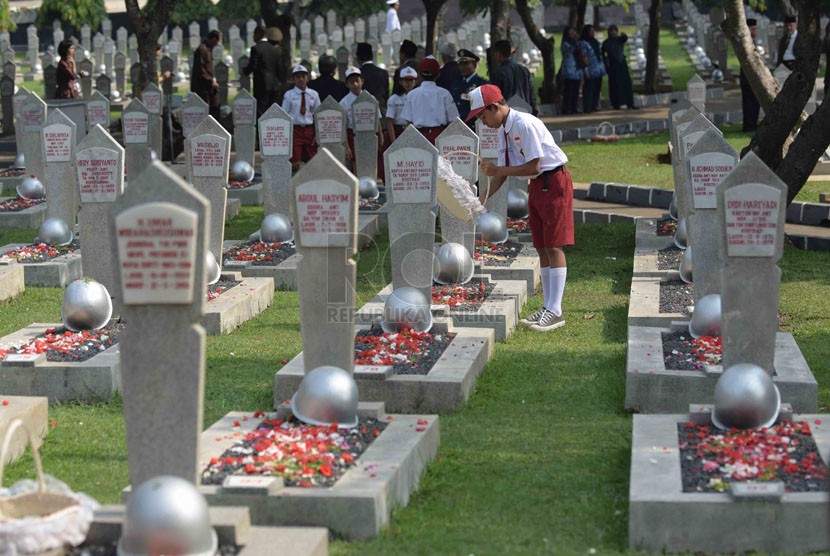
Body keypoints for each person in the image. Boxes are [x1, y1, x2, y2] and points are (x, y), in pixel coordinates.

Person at [468, 84, 572, 332]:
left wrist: (498, 170)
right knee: (541, 245)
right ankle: (548, 306)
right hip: (537, 186)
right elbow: (502, 174)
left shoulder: (524, 124)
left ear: (495, 107)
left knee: (554, 245)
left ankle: (555, 310)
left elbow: (534, 166)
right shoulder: (504, 129)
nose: (484, 123)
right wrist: (480, 199)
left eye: (484, 116)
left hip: (553, 181)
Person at [399, 58, 458, 144]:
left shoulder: (412, 94)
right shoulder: (444, 93)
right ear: (438, 74)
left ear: (419, 74)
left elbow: (408, 121)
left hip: (418, 135)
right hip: (440, 135)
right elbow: (453, 120)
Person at [340, 66, 384, 170]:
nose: (355, 84)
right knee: (356, 165)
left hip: (369, 135)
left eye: (357, 80)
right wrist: (346, 146)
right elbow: (343, 126)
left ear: (362, 81)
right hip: (353, 135)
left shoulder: (371, 98)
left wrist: (381, 136)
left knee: (370, 163)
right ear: (347, 84)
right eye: (351, 82)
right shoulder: (344, 102)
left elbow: (377, 119)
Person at [282, 64, 321, 170]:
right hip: (295, 130)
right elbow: (284, 114)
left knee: (312, 159)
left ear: (307, 78)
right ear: (293, 79)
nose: (301, 79)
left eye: (303, 76)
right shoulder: (289, 95)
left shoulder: (314, 94)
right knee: (295, 161)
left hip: (309, 129)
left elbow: (318, 114)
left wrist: (317, 133)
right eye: (297, 77)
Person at [489, 39, 537, 115]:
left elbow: (496, 98)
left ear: (498, 54)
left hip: (508, 114)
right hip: (525, 112)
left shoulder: (498, 74)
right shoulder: (524, 70)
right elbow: (531, 94)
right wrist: (535, 111)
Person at [243, 26, 282, 118]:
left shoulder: (256, 48)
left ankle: (260, 132)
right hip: (275, 86)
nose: (253, 37)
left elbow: (253, 66)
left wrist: (245, 71)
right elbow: (279, 68)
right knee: (273, 111)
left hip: (262, 85)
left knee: (261, 112)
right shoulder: (276, 49)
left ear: (258, 34)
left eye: (254, 35)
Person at [450, 48, 488, 124]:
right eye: (460, 64)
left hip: (474, 125)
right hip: (458, 124)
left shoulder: (481, 84)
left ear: (474, 65)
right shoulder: (456, 84)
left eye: (466, 64)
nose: (462, 67)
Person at [602, 25, 635, 110]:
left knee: (626, 83)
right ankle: (616, 103)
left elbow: (624, 38)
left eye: (614, 30)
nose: (613, 32)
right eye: (611, 31)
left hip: (622, 64)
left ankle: (629, 102)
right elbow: (603, 54)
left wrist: (624, 35)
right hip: (612, 65)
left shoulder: (619, 40)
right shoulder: (606, 43)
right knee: (614, 85)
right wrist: (607, 64)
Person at [191, 30, 222, 120]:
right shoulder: (202, 50)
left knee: (215, 108)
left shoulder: (208, 50)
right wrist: (211, 81)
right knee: (206, 112)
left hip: (209, 88)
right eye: (217, 41)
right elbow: (201, 70)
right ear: (213, 39)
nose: (217, 44)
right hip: (203, 88)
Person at [355, 42, 390, 112]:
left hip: (361, 111)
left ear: (358, 58)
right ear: (372, 56)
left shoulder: (356, 74)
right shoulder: (383, 73)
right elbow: (386, 96)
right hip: (381, 110)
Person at [741, 18, 761, 131]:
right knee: (749, 101)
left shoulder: (753, 41)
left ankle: (753, 122)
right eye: (753, 29)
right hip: (747, 76)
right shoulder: (746, 42)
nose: (755, 31)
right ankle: (749, 124)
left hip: (754, 75)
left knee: (755, 101)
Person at [387, 66, 418, 139]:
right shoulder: (394, 98)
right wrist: (393, 141)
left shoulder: (418, 98)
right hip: (398, 130)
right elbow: (389, 121)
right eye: (406, 80)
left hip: (415, 130)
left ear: (415, 82)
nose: (408, 83)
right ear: (400, 82)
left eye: (411, 80)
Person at [580, 24, 605, 112]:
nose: (592, 32)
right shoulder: (583, 43)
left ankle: (594, 106)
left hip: (598, 68)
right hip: (590, 69)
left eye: (593, 31)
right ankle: (587, 107)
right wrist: (586, 69)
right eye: (590, 31)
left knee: (596, 88)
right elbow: (584, 56)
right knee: (588, 88)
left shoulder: (596, 42)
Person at [560, 27, 582, 115]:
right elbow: (571, 50)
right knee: (569, 90)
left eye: (574, 31)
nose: (573, 34)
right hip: (569, 69)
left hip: (576, 70)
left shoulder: (576, 43)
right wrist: (576, 41)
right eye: (571, 32)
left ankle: (574, 107)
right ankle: (566, 108)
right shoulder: (565, 44)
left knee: (576, 90)